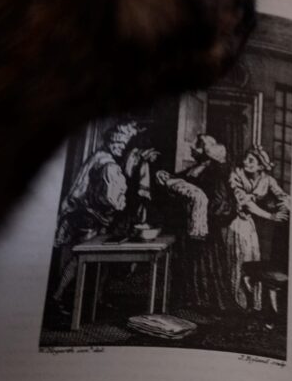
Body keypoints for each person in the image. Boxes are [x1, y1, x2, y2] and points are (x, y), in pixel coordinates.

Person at [50, 121, 159, 304]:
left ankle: (96, 298)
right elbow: (108, 198)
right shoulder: (108, 164)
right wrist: (122, 204)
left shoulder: (99, 156)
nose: (121, 148)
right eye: (119, 145)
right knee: (80, 258)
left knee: (103, 260)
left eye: (123, 145)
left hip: (96, 215)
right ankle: (57, 297)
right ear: (112, 142)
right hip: (89, 215)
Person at [156, 134, 234, 310]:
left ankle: (206, 303)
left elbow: (223, 203)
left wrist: (204, 214)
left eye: (197, 146)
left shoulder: (215, 171)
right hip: (187, 225)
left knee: (204, 264)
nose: (192, 149)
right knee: (184, 262)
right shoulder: (195, 168)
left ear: (206, 151)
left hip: (207, 228)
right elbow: (179, 183)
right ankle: (185, 300)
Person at [223, 146, 290, 312]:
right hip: (236, 223)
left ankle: (255, 304)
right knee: (238, 261)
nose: (246, 162)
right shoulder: (236, 175)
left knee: (252, 259)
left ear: (261, 166)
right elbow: (246, 202)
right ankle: (238, 303)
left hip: (250, 225)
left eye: (251, 160)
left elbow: (282, 196)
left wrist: (287, 205)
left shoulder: (266, 180)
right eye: (246, 159)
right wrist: (271, 216)